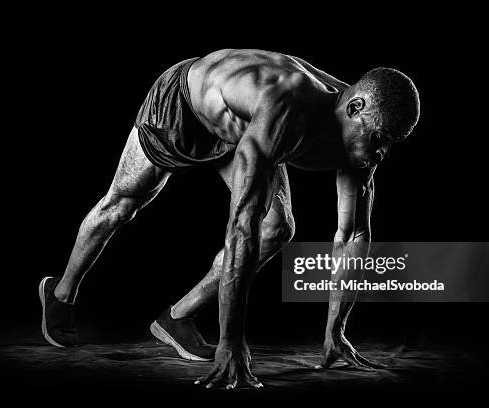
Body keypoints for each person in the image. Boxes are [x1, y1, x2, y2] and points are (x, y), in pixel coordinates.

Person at [38, 48, 420, 389]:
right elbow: (241, 225)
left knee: (278, 228)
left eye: (390, 144)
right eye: (379, 138)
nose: (382, 152)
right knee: (122, 205)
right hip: (184, 107)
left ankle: (176, 319)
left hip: (240, 131)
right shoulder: (287, 106)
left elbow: (353, 234)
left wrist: (336, 331)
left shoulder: (361, 141)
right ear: (355, 107)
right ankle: (61, 292)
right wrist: (231, 341)